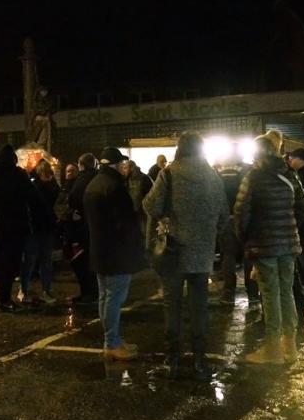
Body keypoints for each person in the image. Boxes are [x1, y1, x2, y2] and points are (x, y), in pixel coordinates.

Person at [143, 132, 229, 379]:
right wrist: (206, 235)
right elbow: (224, 216)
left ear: (180, 148)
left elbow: (149, 205)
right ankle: (200, 360)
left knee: (172, 304)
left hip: (174, 250)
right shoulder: (213, 176)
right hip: (202, 254)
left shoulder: (169, 173)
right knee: (199, 306)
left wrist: (168, 219)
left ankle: (173, 359)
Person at [235, 136, 304, 365]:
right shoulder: (289, 174)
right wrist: (292, 229)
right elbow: (303, 208)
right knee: (287, 292)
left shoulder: (253, 177)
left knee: (270, 294)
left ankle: (273, 350)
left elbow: (241, 213)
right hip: (289, 242)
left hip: (263, 244)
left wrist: (245, 240)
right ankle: (290, 348)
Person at [83, 147, 149, 361]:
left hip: (100, 250)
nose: (124, 167)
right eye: (121, 164)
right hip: (117, 253)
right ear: (114, 165)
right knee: (114, 299)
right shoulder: (115, 188)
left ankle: (112, 340)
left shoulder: (93, 185)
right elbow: (126, 223)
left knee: (105, 297)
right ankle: (112, 343)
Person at [0, 144, 46, 312]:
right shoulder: (18, 175)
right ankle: (6, 299)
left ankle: (2, 298)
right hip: (17, 225)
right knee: (13, 262)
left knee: (0, 262)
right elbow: (34, 198)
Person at [262, 130, 304, 345]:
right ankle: (292, 331)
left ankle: (280, 337)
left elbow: (246, 211)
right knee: (288, 284)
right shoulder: (287, 173)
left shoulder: (260, 176)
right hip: (286, 238)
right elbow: (302, 206)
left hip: (269, 241)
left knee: (276, 287)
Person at [215, 150, 258, 306]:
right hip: (245, 219)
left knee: (228, 256)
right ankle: (253, 293)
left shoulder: (218, 172)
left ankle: (228, 293)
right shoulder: (248, 171)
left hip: (226, 220)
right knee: (248, 255)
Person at [22, 159, 61, 304]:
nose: (47, 176)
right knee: (37, 260)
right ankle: (36, 290)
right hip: (40, 227)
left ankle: (34, 290)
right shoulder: (46, 186)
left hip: (40, 227)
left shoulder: (37, 186)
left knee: (37, 260)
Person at [67, 153, 100, 304]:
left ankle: (88, 292)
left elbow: (73, 199)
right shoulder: (98, 178)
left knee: (80, 260)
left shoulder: (81, 180)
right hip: (95, 225)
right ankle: (95, 291)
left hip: (81, 227)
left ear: (81, 165)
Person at [126, 160, 154, 235]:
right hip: (136, 210)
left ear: (131, 167)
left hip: (141, 210)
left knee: (142, 230)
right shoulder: (127, 178)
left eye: (126, 167)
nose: (125, 169)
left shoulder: (144, 179)